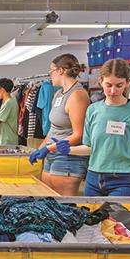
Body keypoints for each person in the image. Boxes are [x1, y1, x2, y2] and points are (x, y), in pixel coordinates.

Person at [52, 59, 130, 196]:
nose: (113, 90)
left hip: (125, 179)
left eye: (119, 85)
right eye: (108, 85)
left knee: (119, 218)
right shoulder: (93, 110)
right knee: (92, 217)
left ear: (128, 83)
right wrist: (68, 149)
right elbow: (90, 148)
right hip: (93, 178)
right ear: (101, 81)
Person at [29, 54, 90, 196]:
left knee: (64, 207)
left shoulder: (77, 95)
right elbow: (53, 128)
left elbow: (79, 134)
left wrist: (49, 148)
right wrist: (40, 148)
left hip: (68, 157)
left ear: (61, 70)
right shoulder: (58, 94)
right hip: (52, 154)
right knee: (49, 202)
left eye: (51, 70)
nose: (50, 74)